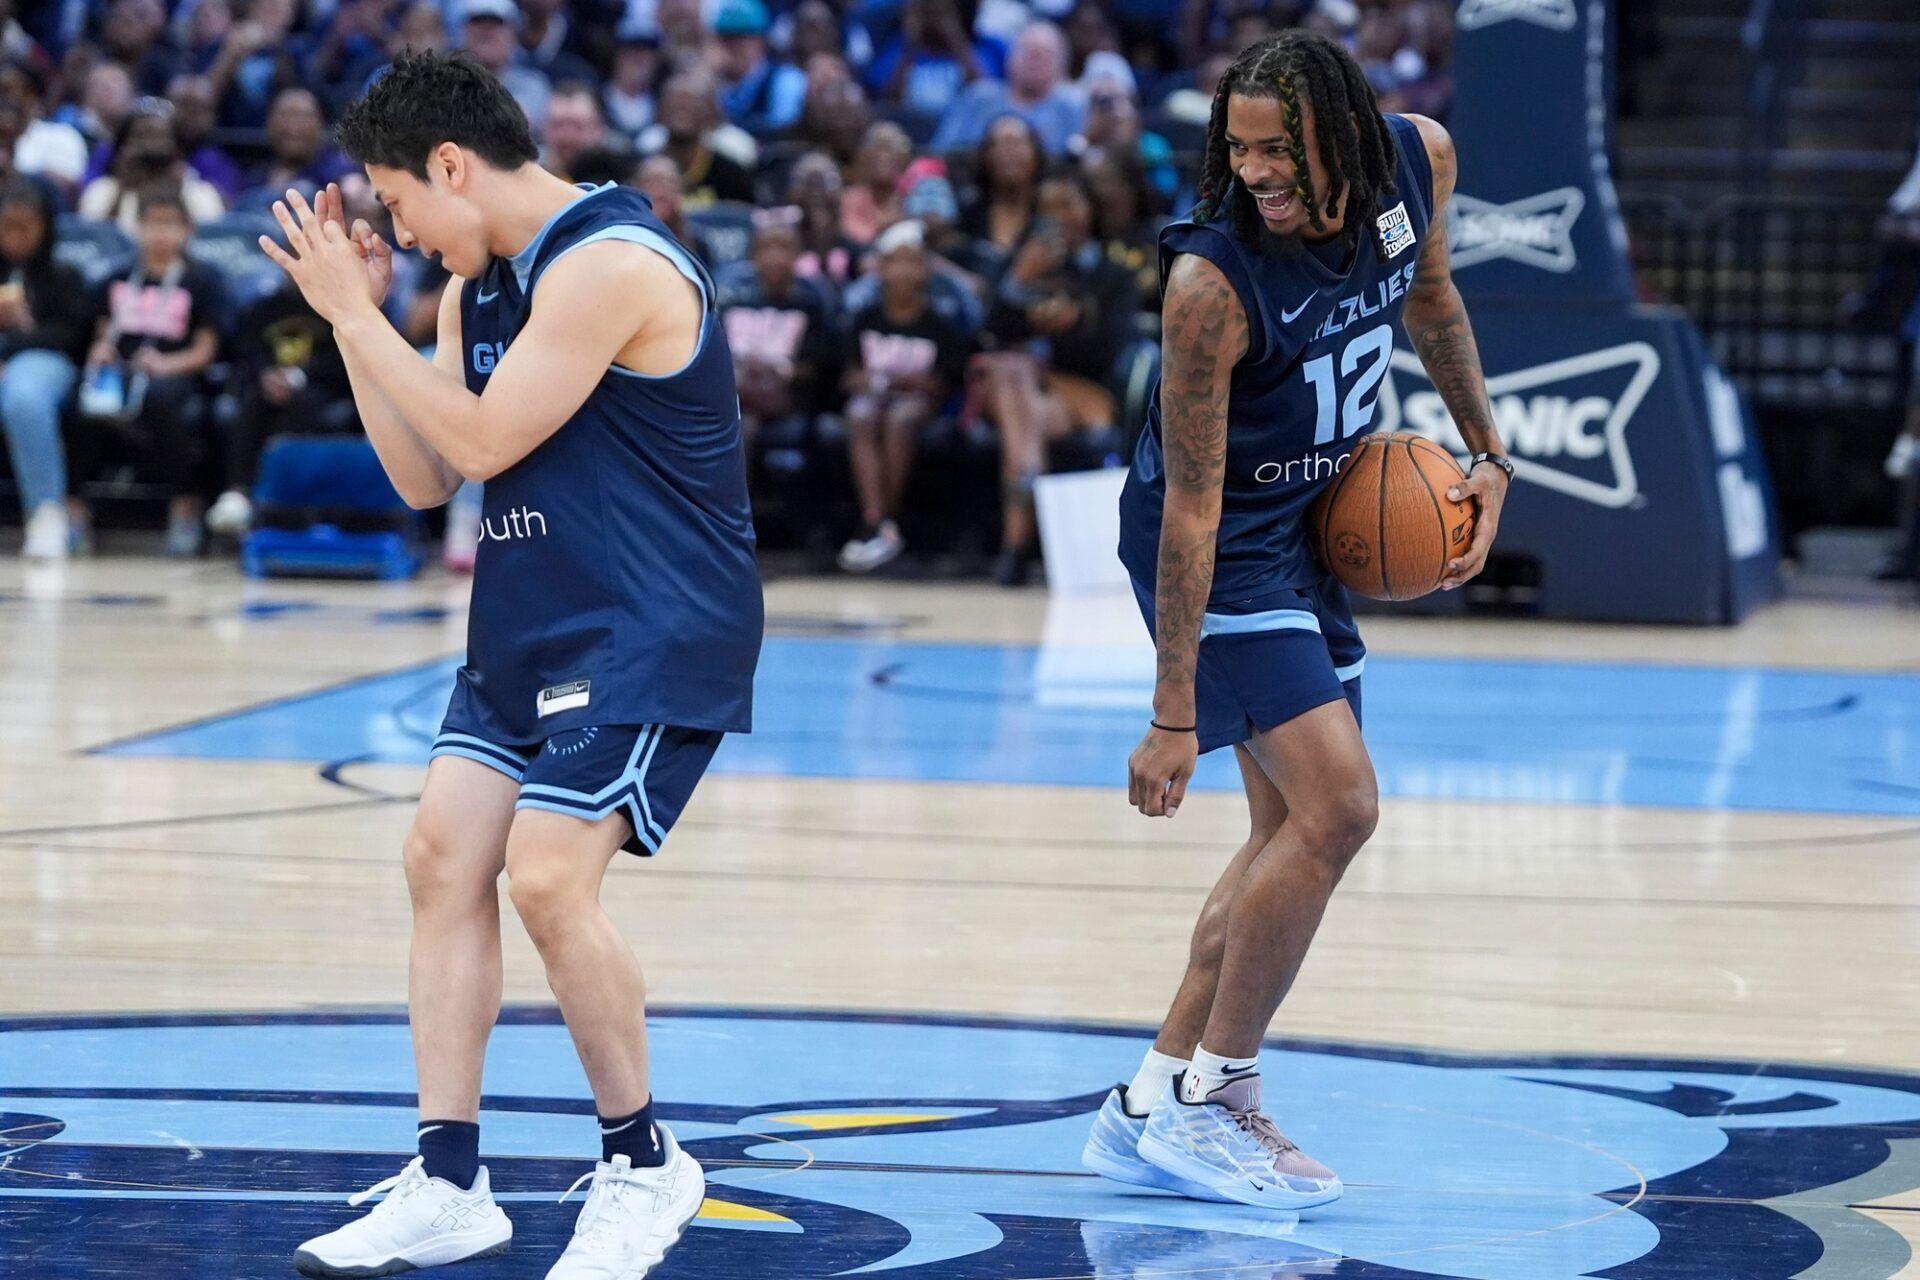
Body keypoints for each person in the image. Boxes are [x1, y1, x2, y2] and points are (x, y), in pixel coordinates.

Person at [260, 49, 761, 1279]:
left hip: (650, 621)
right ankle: (447, 1178)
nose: (402, 232)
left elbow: (483, 439)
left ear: (450, 165)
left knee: (545, 875)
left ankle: (649, 1163)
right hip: (533, 621)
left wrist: (352, 313)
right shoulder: (466, 293)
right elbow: (427, 476)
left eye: (398, 201)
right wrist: (358, 328)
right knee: (441, 857)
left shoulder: (605, 266)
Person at [1088, 30, 1511, 1210]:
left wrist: (1486, 452)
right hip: (1218, 545)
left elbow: (1431, 297)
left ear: (1346, 132)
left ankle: (1148, 1099)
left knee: (1288, 834)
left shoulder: (1418, 161)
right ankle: (1220, 1097)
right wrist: (1172, 712)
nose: (1257, 172)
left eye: (1280, 150)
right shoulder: (1211, 285)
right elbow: (1189, 511)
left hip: (1313, 523)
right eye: (1240, 150)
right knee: (1342, 808)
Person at [974, 167, 1138, 584]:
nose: (1058, 215)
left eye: (1067, 204)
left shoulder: (1113, 273)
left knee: (1016, 394)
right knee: (1013, 375)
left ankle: (1016, 544)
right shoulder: (1024, 261)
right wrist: (1020, 279)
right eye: (1047, 207)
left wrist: (1069, 326)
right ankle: (1019, 540)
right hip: (1021, 389)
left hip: (1081, 393)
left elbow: (1115, 350)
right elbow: (988, 333)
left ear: (1089, 208)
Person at [71, 185, 224, 556]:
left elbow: (206, 349)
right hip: (120, 372)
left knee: (163, 402)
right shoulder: (118, 275)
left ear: (187, 230)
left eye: (169, 225)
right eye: (151, 225)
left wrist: (166, 365)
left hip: (174, 373)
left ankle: (184, 504)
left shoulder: (202, 280)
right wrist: (101, 350)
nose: (159, 234)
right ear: (136, 228)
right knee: (73, 402)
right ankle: (74, 508)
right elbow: (102, 330)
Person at [836, 218, 973, 571]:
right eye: (895, 262)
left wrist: (891, 380)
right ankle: (878, 521)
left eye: (913, 262)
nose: (904, 271)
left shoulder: (939, 323)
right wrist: (892, 381)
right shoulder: (864, 318)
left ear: (925, 270)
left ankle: (882, 522)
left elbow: (941, 384)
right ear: (881, 269)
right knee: (861, 413)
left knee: (901, 416)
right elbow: (850, 377)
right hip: (875, 400)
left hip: (919, 409)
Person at [205, 270, 355, 535]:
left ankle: (292, 500)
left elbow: (346, 361)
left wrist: (299, 376)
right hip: (268, 386)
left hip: (323, 390)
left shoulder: (340, 306)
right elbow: (247, 353)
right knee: (250, 404)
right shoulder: (264, 307)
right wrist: (266, 375)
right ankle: (237, 493)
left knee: (303, 406)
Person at [0, 176, 90, 558]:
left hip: (46, 363)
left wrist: (16, 336)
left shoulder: (65, 274)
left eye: (25, 227)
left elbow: (70, 335)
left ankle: (46, 514)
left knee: (23, 395)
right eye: (7, 226)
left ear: (45, 227)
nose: (15, 236)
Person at [718, 208, 837, 453]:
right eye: (765, 248)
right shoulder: (733, 305)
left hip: (787, 396)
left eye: (783, 248)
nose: (774, 256)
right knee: (744, 427)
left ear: (797, 254)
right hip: (739, 391)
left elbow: (817, 367)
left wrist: (776, 369)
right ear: (753, 255)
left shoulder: (810, 305)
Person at [930, 21, 1084, 156]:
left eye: (1045, 54)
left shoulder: (1072, 108)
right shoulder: (979, 97)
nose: (1035, 60)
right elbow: (942, 150)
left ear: (1062, 67)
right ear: (1010, 57)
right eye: (1028, 51)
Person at [78, 100, 227, 232]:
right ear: (122, 149)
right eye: (140, 137)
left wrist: (178, 191)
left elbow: (206, 248)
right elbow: (95, 244)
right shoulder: (102, 191)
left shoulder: (200, 194)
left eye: (160, 138)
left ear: (177, 150)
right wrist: (122, 189)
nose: (150, 147)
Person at [959, 114, 1043, 280]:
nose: (1009, 154)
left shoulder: (1049, 211)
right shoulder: (967, 212)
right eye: (1001, 145)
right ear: (986, 156)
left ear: (1035, 154)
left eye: (1016, 144)